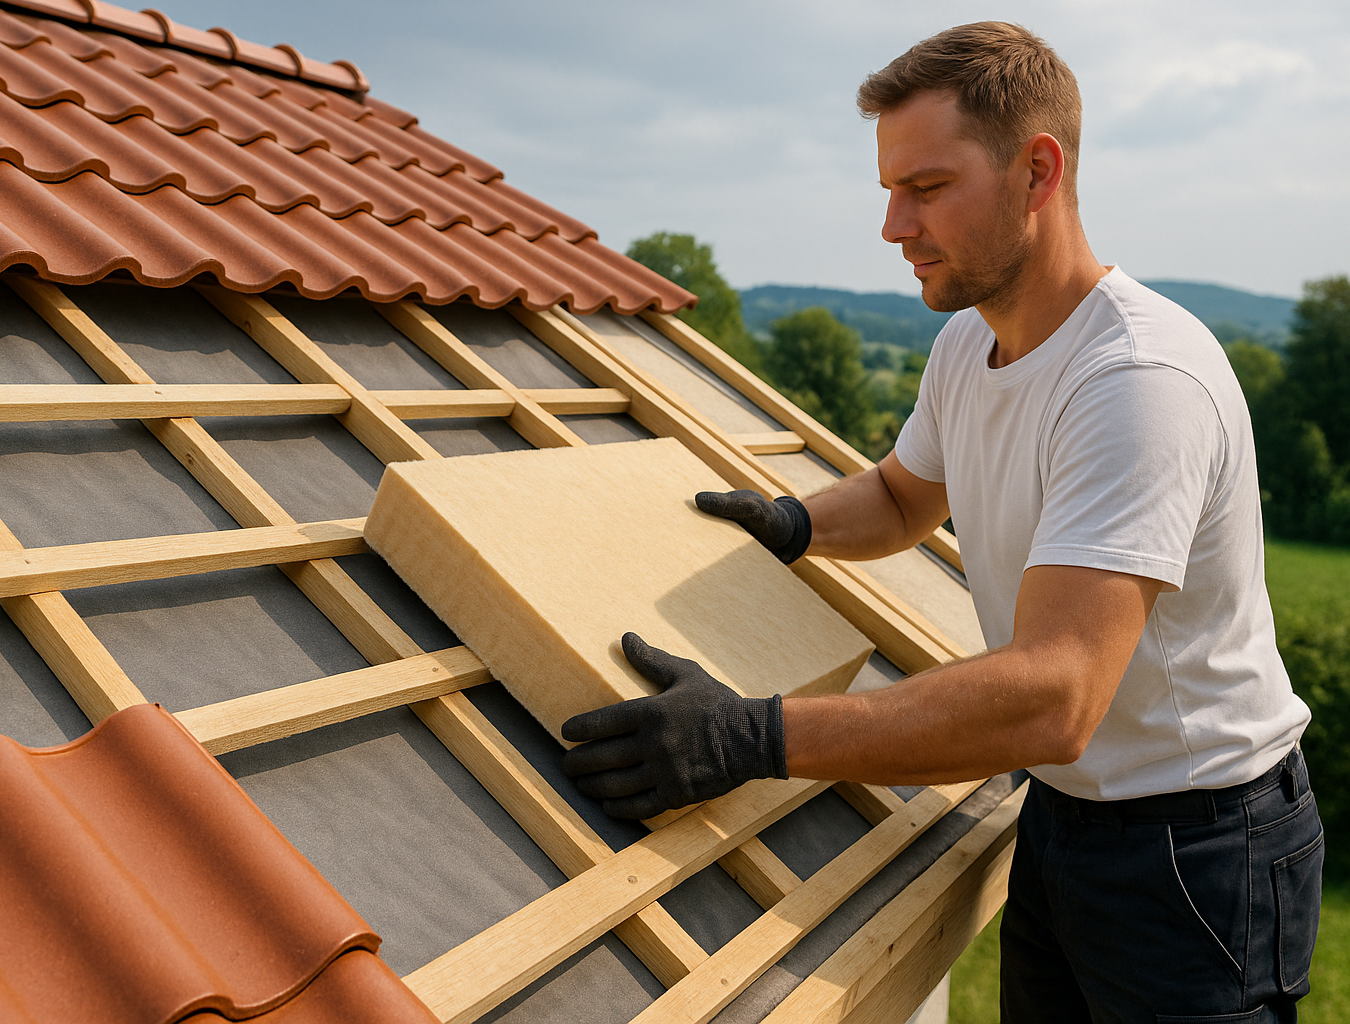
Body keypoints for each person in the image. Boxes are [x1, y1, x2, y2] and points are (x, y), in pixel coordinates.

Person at [561, 21, 1323, 1023]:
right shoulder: (971, 345)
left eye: (925, 189)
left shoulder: (1138, 382)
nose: (891, 226)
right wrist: (791, 522)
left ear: (1036, 172)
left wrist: (753, 736)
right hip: (1067, 817)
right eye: (889, 190)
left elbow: (1056, 695)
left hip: (1197, 850)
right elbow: (900, 498)